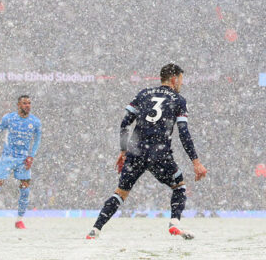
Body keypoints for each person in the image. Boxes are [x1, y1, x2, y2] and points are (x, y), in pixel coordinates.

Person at [86, 63, 208, 240]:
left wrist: (123, 150)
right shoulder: (178, 100)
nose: (182, 83)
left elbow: (124, 124)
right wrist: (196, 162)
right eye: (181, 79)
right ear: (174, 79)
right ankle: (174, 223)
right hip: (160, 152)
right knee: (179, 186)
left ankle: (95, 230)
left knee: (120, 193)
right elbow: (183, 132)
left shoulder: (143, 94)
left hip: (136, 151)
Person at [0, 95, 43, 230]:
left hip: (23, 159)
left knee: (25, 189)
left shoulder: (35, 122)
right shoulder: (9, 118)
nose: (28, 106)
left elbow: (37, 140)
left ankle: (19, 220)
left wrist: (32, 156)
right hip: (7, 157)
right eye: (25, 103)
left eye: (29, 103)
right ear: (18, 105)